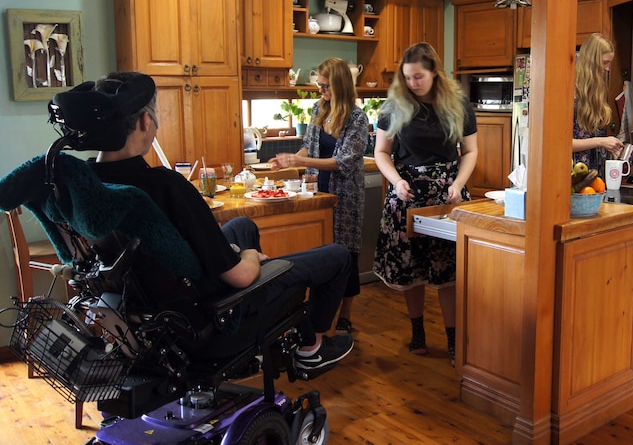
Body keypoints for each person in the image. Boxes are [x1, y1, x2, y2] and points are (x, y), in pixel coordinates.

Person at [88, 71, 355, 373]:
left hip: (153, 302)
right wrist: (249, 256)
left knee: (243, 226)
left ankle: (260, 335)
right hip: (213, 312)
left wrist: (233, 250)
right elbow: (241, 277)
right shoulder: (166, 186)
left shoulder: (88, 184)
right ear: (145, 122)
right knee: (338, 256)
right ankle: (311, 348)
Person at [372, 42, 478, 366]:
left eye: (418, 77)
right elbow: (381, 152)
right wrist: (396, 181)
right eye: (407, 78)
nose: (412, 83)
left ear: (434, 73)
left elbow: (470, 151)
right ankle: (417, 330)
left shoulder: (458, 105)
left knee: (449, 271)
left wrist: (459, 184)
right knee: (411, 271)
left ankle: (452, 339)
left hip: (448, 195)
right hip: (406, 194)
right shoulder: (393, 107)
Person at [270, 58, 369, 335]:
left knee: (346, 253)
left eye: (325, 86)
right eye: (319, 85)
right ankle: (317, 312)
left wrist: (300, 160)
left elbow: (344, 161)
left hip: (345, 193)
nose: (320, 91)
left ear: (339, 84)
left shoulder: (357, 117)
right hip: (316, 189)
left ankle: (345, 316)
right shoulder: (317, 109)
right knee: (320, 250)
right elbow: (309, 147)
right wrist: (290, 161)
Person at [572, 33, 623, 171]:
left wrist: (610, 146)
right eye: (605, 62)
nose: (607, 68)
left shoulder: (597, 91)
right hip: (575, 175)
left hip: (595, 174)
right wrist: (601, 142)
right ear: (592, 61)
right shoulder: (570, 91)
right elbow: (562, 143)